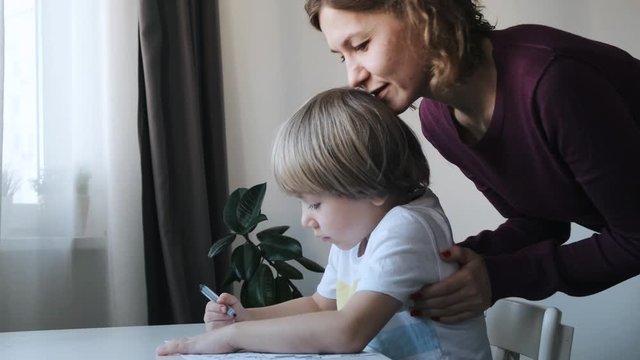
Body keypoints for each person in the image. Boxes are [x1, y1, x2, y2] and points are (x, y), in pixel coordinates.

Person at [303, 0, 640, 324]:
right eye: (342, 57)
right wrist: (440, 262)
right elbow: (540, 222)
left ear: (421, 12)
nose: (353, 76)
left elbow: (634, 239)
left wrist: (496, 277)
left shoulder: (552, 83)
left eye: (361, 45)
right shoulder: (438, 122)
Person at [156, 88, 492, 359]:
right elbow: (321, 304)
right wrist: (247, 317)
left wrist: (232, 337)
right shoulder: (357, 232)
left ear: (371, 185)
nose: (306, 219)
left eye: (315, 203)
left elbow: (349, 330)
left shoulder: (408, 226)